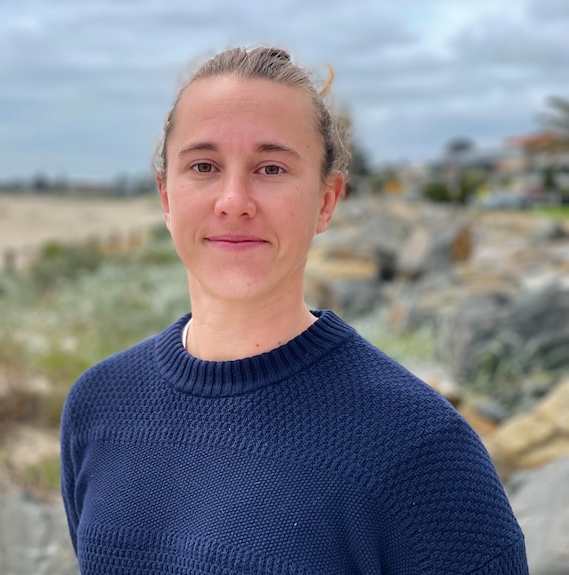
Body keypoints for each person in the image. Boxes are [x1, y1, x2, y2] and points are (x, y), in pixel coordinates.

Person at [60, 46, 527, 574]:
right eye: (204, 166)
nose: (233, 200)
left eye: (271, 167)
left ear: (327, 200)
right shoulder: (98, 407)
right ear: (167, 197)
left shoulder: (421, 451)